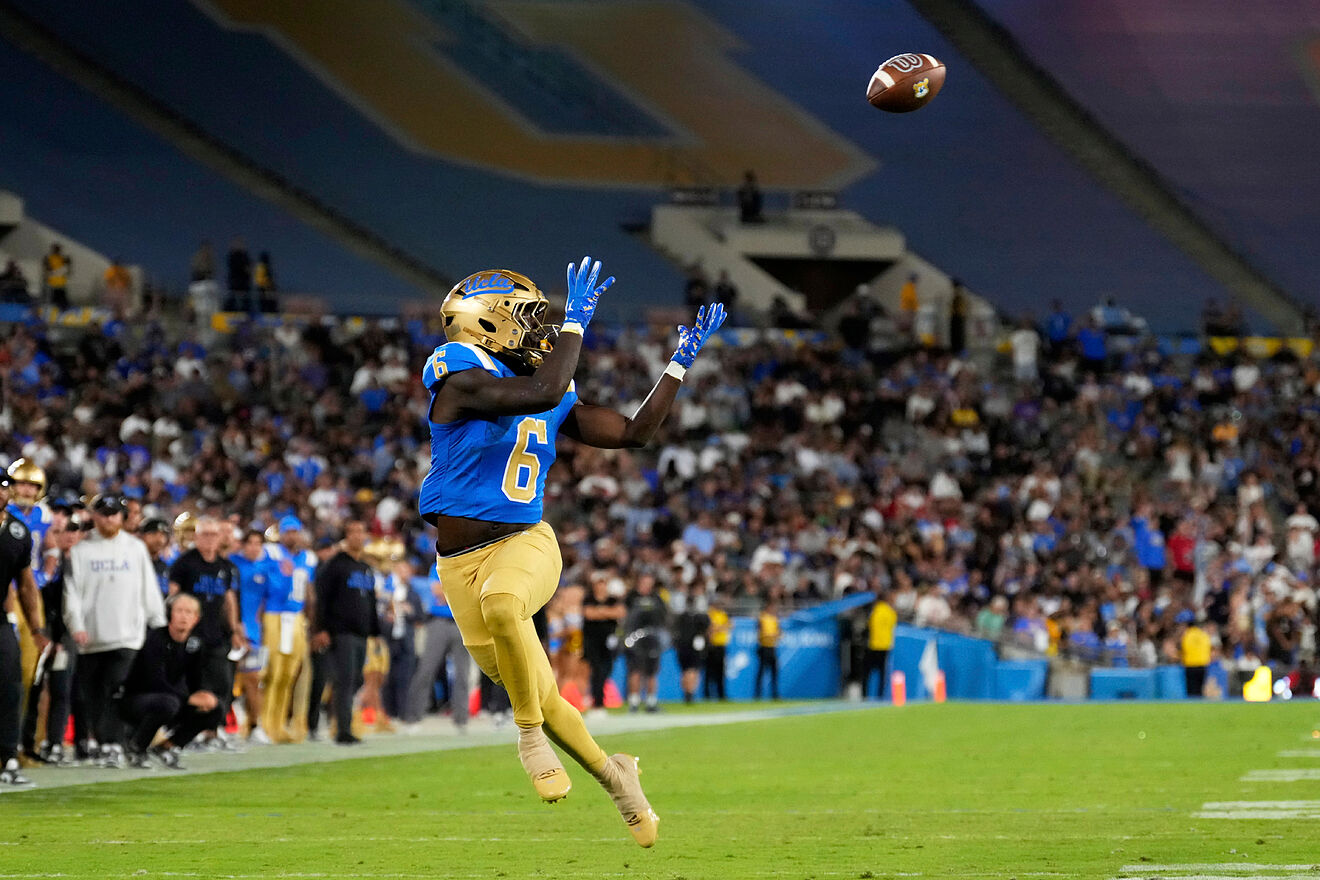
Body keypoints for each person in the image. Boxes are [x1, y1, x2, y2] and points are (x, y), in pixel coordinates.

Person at [418, 255, 726, 847]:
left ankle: (526, 735)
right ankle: (618, 778)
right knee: (545, 693)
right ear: (486, 323)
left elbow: (635, 433)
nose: (540, 330)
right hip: (457, 566)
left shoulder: (543, 388)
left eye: (544, 320)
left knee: (507, 608)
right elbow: (545, 387)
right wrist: (575, 323)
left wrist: (678, 365)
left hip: (525, 543)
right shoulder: (459, 370)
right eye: (527, 319)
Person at [63, 494, 164, 768]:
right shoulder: (82, 551)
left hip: (127, 635)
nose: (110, 519)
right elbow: (71, 592)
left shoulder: (135, 549)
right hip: (92, 637)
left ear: (123, 518)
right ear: (95, 516)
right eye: (105, 513)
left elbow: (149, 589)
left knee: (116, 689)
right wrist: (77, 625)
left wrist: (159, 623)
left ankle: (116, 743)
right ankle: (107, 743)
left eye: (115, 514)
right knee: (93, 695)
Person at [118, 593, 224, 769]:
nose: (184, 616)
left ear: (196, 618)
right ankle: (136, 748)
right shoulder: (155, 639)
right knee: (169, 703)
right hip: (136, 698)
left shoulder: (195, 644)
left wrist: (204, 694)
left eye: (189, 612)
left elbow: (197, 679)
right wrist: (188, 699)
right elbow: (153, 680)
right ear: (170, 614)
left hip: (170, 698)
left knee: (215, 707)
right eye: (179, 611)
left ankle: (169, 746)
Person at [168, 517, 244, 746]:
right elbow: (173, 596)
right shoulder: (184, 563)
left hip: (217, 634)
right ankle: (186, 730)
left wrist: (234, 629)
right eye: (205, 534)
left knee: (221, 684)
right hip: (191, 636)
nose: (210, 539)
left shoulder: (224, 567)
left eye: (214, 534)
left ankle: (212, 730)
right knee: (191, 684)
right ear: (196, 537)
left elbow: (228, 600)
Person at [309, 521, 379, 745]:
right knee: (345, 681)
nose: (358, 536)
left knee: (356, 679)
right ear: (345, 537)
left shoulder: (365, 567)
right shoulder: (334, 565)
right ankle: (342, 730)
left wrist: (375, 632)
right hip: (340, 632)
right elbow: (321, 599)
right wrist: (320, 629)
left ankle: (342, 724)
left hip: (361, 633)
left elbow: (371, 601)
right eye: (353, 532)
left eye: (361, 531)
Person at [1, 475, 48, 787]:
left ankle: (7, 758)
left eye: (3, 487)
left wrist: (36, 628)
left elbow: (25, 583)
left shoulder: (17, 532)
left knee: (10, 685)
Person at [264, 519, 316, 743]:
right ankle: (264, 724)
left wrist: (311, 623)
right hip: (274, 614)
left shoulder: (308, 558)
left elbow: (310, 593)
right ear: (281, 534)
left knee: (289, 674)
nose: (292, 536)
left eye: (295, 532)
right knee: (272, 672)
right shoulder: (271, 553)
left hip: (296, 617)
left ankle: (279, 725)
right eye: (288, 532)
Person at [404, 565, 471, 731]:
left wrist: (451, 592)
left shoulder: (468, 561)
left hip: (461, 622)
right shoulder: (439, 563)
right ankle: (414, 717)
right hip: (438, 622)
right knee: (426, 669)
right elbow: (438, 591)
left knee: (463, 673)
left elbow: (470, 592)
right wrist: (459, 593)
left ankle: (461, 720)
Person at [230, 529, 273, 742]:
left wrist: (257, 628)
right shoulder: (233, 563)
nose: (254, 547)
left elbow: (266, 602)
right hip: (231, 629)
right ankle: (220, 726)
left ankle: (255, 726)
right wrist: (235, 626)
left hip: (254, 632)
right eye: (251, 543)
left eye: (258, 543)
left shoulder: (266, 568)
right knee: (226, 679)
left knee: (253, 679)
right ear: (243, 545)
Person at [623, 573, 667, 713]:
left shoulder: (656, 597)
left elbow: (663, 616)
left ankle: (651, 701)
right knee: (635, 670)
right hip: (634, 639)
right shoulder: (631, 597)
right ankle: (634, 701)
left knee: (652, 671)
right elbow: (624, 614)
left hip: (652, 639)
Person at [580, 572, 624, 713]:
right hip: (592, 640)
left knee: (607, 669)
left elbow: (620, 612)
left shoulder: (612, 599)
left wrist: (600, 612)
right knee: (596, 669)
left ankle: (598, 698)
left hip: (609, 641)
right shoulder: (589, 598)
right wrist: (607, 613)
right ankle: (597, 702)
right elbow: (589, 614)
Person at [671, 582, 708, 704]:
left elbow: (675, 629)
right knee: (692, 670)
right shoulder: (699, 616)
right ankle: (690, 693)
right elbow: (706, 627)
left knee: (685, 670)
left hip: (682, 645)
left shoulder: (681, 616)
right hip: (692, 645)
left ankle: (686, 692)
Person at [866, 590, 897, 699]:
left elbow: (869, 625)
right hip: (885, 645)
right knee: (882, 673)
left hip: (873, 644)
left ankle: (865, 694)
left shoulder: (874, 611)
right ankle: (880, 695)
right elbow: (893, 624)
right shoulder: (890, 611)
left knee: (868, 672)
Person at [704, 594, 731, 700]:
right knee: (709, 671)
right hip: (712, 646)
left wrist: (719, 628)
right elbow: (711, 629)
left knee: (721, 671)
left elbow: (729, 625)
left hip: (721, 645)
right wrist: (721, 627)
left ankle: (721, 694)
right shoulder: (710, 614)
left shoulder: (722, 614)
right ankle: (707, 694)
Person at [755, 597, 780, 700]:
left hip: (772, 647)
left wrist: (775, 635)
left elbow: (778, 632)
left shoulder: (774, 619)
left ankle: (775, 694)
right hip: (764, 647)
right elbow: (762, 633)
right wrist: (772, 635)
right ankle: (758, 694)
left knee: (774, 672)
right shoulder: (762, 617)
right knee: (761, 671)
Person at [41, 242, 71, 310]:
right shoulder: (49, 258)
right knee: (51, 302)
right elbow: (48, 270)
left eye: (58, 249)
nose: (58, 250)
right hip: (52, 284)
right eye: (56, 249)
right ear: (53, 249)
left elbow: (67, 271)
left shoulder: (62, 258)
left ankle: (62, 312)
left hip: (61, 284)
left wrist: (67, 264)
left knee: (62, 302)